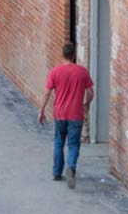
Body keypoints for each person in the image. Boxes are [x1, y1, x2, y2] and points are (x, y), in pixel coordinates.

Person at [37, 41, 95, 188]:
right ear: (74, 55)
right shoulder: (82, 72)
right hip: (76, 113)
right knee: (73, 144)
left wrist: (41, 110)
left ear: (62, 55)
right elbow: (90, 92)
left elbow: (47, 93)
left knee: (58, 141)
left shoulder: (55, 72)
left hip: (60, 113)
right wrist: (87, 104)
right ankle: (71, 167)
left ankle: (57, 172)